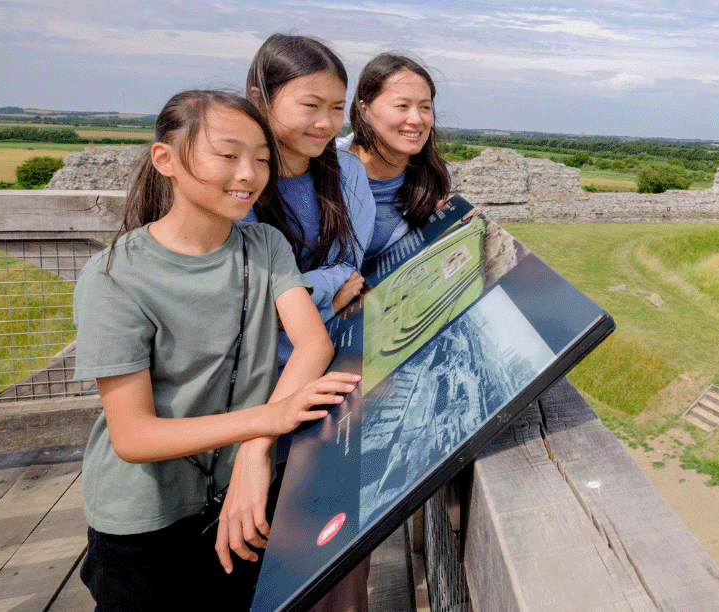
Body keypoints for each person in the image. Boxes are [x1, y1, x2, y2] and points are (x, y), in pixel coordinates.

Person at [71, 89, 360, 611]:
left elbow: (312, 342)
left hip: (240, 498)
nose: (248, 174)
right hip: (146, 517)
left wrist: (255, 453)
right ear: (165, 159)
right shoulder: (116, 276)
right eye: (227, 156)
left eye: (262, 159)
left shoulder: (265, 246)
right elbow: (133, 435)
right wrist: (270, 420)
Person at [244, 33, 375, 338]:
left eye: (336, 108)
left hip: (330, 351)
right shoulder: (237, 180)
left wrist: (293, 301)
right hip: (255, 368)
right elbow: (247, 303)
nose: (326, 123)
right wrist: (327, 302)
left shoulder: (349, 173)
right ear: (259, 101)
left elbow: (348, 268)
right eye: (311, 105)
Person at [341, 53, 453, 269]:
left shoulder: (435, 178)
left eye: (425, 107)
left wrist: (431, 233)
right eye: (402, 106)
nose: (416, 119)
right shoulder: (324, 167)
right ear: (365, 111)